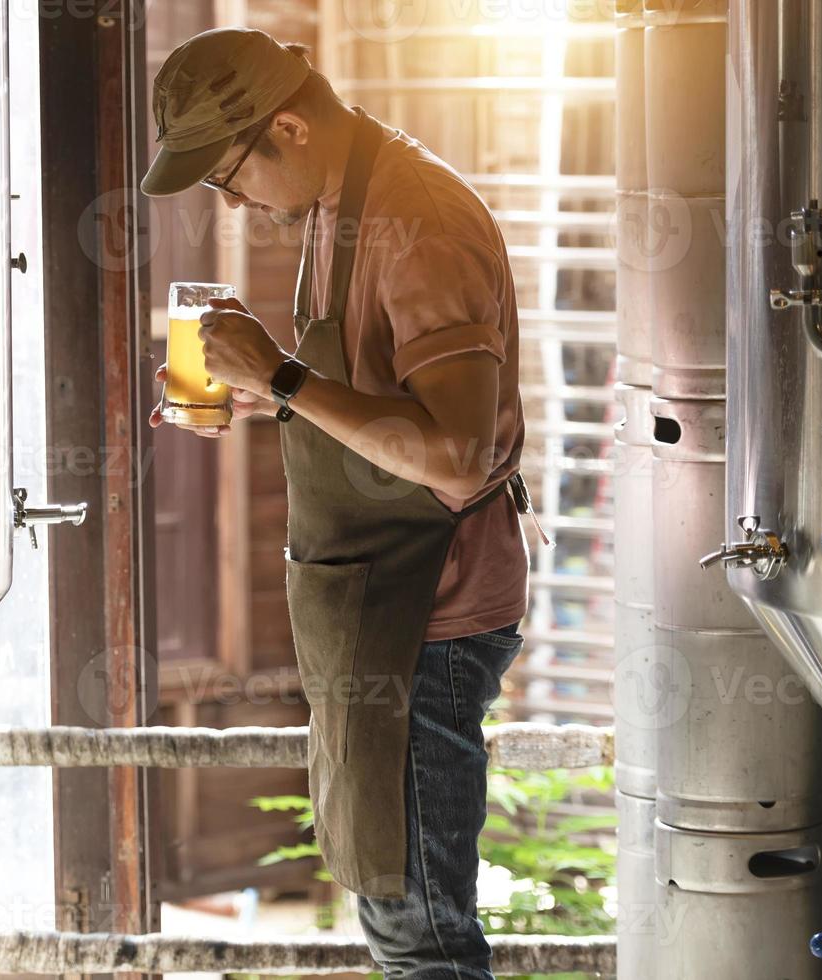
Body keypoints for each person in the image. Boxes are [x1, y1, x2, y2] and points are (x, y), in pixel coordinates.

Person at [140, 27, 538, 980]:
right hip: (375, 612)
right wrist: (260, 391)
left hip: (424, 620)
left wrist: (279, 375)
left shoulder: (416, 219)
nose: (230, 200)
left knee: (422, 939)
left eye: (229, 175)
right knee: (394, 913)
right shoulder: (333, 203)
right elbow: (380, 400)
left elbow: (454, 454)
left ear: (289, 125)